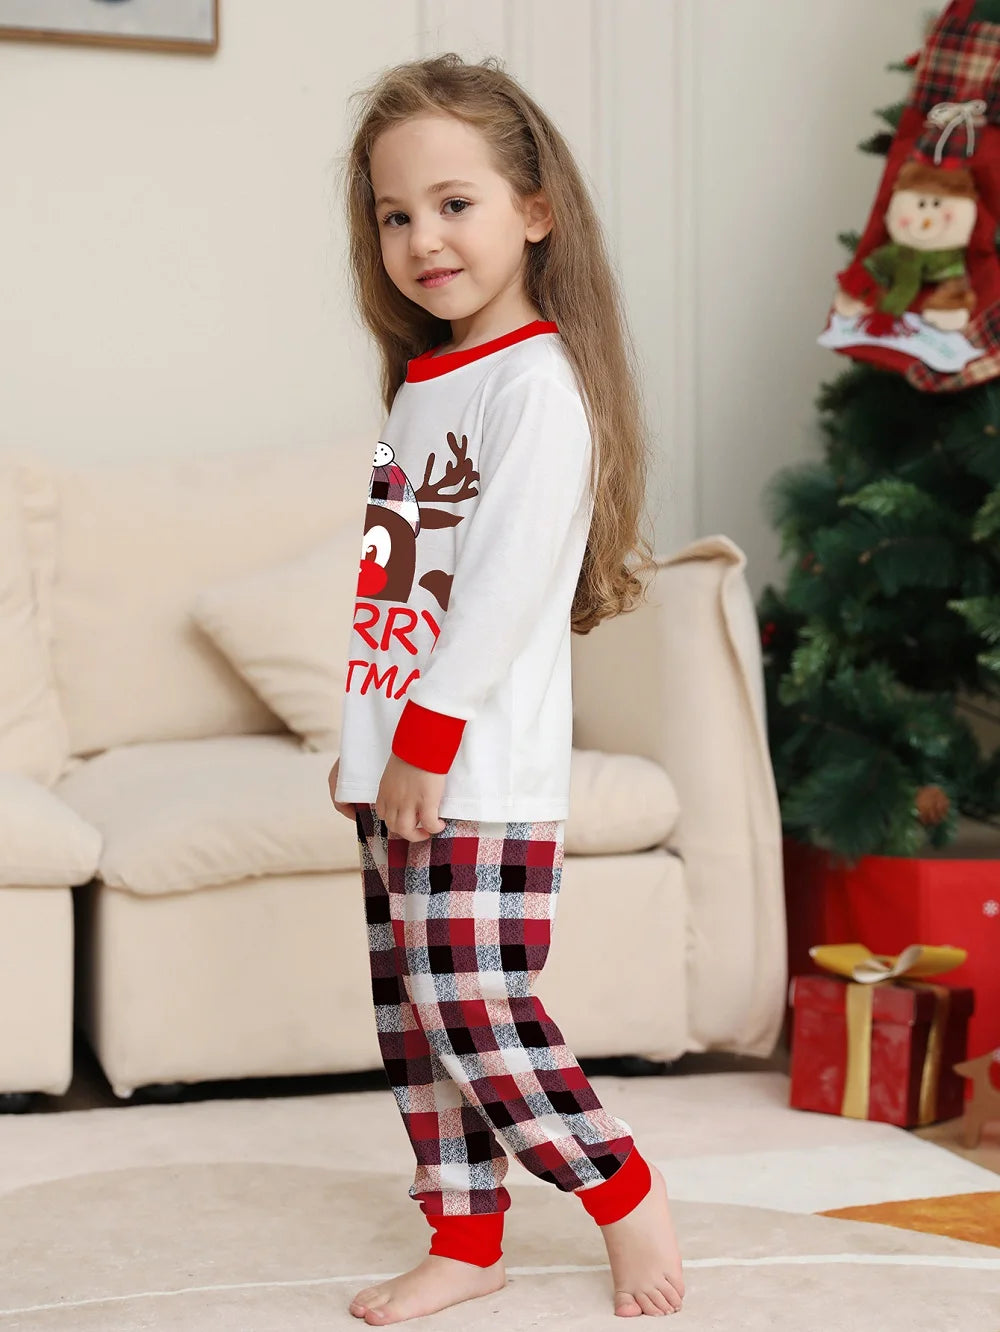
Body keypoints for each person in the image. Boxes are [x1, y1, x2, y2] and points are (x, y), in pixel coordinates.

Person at [326, 51, 684, 1324]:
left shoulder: (537, 386)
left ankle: (619, 1191)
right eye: (395, 215)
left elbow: (504, 587)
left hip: (474, 767)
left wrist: (421, 738)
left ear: (534, 210)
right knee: (413, 1022)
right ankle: (465, 1238)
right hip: (405, 760)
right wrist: (364, 744)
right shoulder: (427, 383)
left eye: (454, 203)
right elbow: (397, 588)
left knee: (473, 1002)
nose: (422, 239)